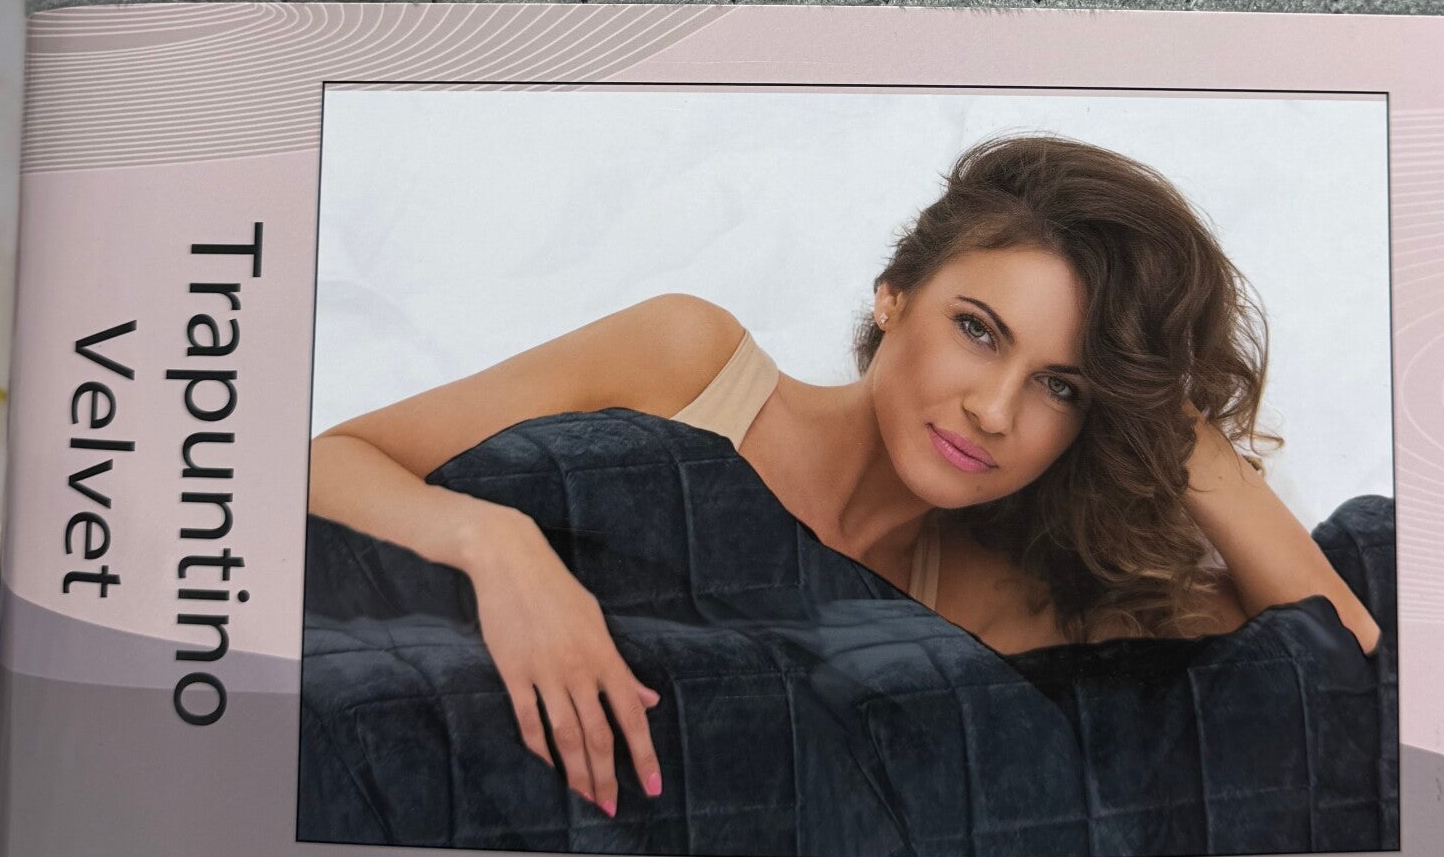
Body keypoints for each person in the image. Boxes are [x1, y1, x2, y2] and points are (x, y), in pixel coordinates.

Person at [308, 135, 1381, 820]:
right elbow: (325, 464)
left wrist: (1173, 426)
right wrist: (498, 546)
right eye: (977, 329)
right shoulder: (694, 364)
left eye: (1060, 387)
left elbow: (1332, 660)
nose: (993, 410)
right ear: (892, 295)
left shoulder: (988, 601)